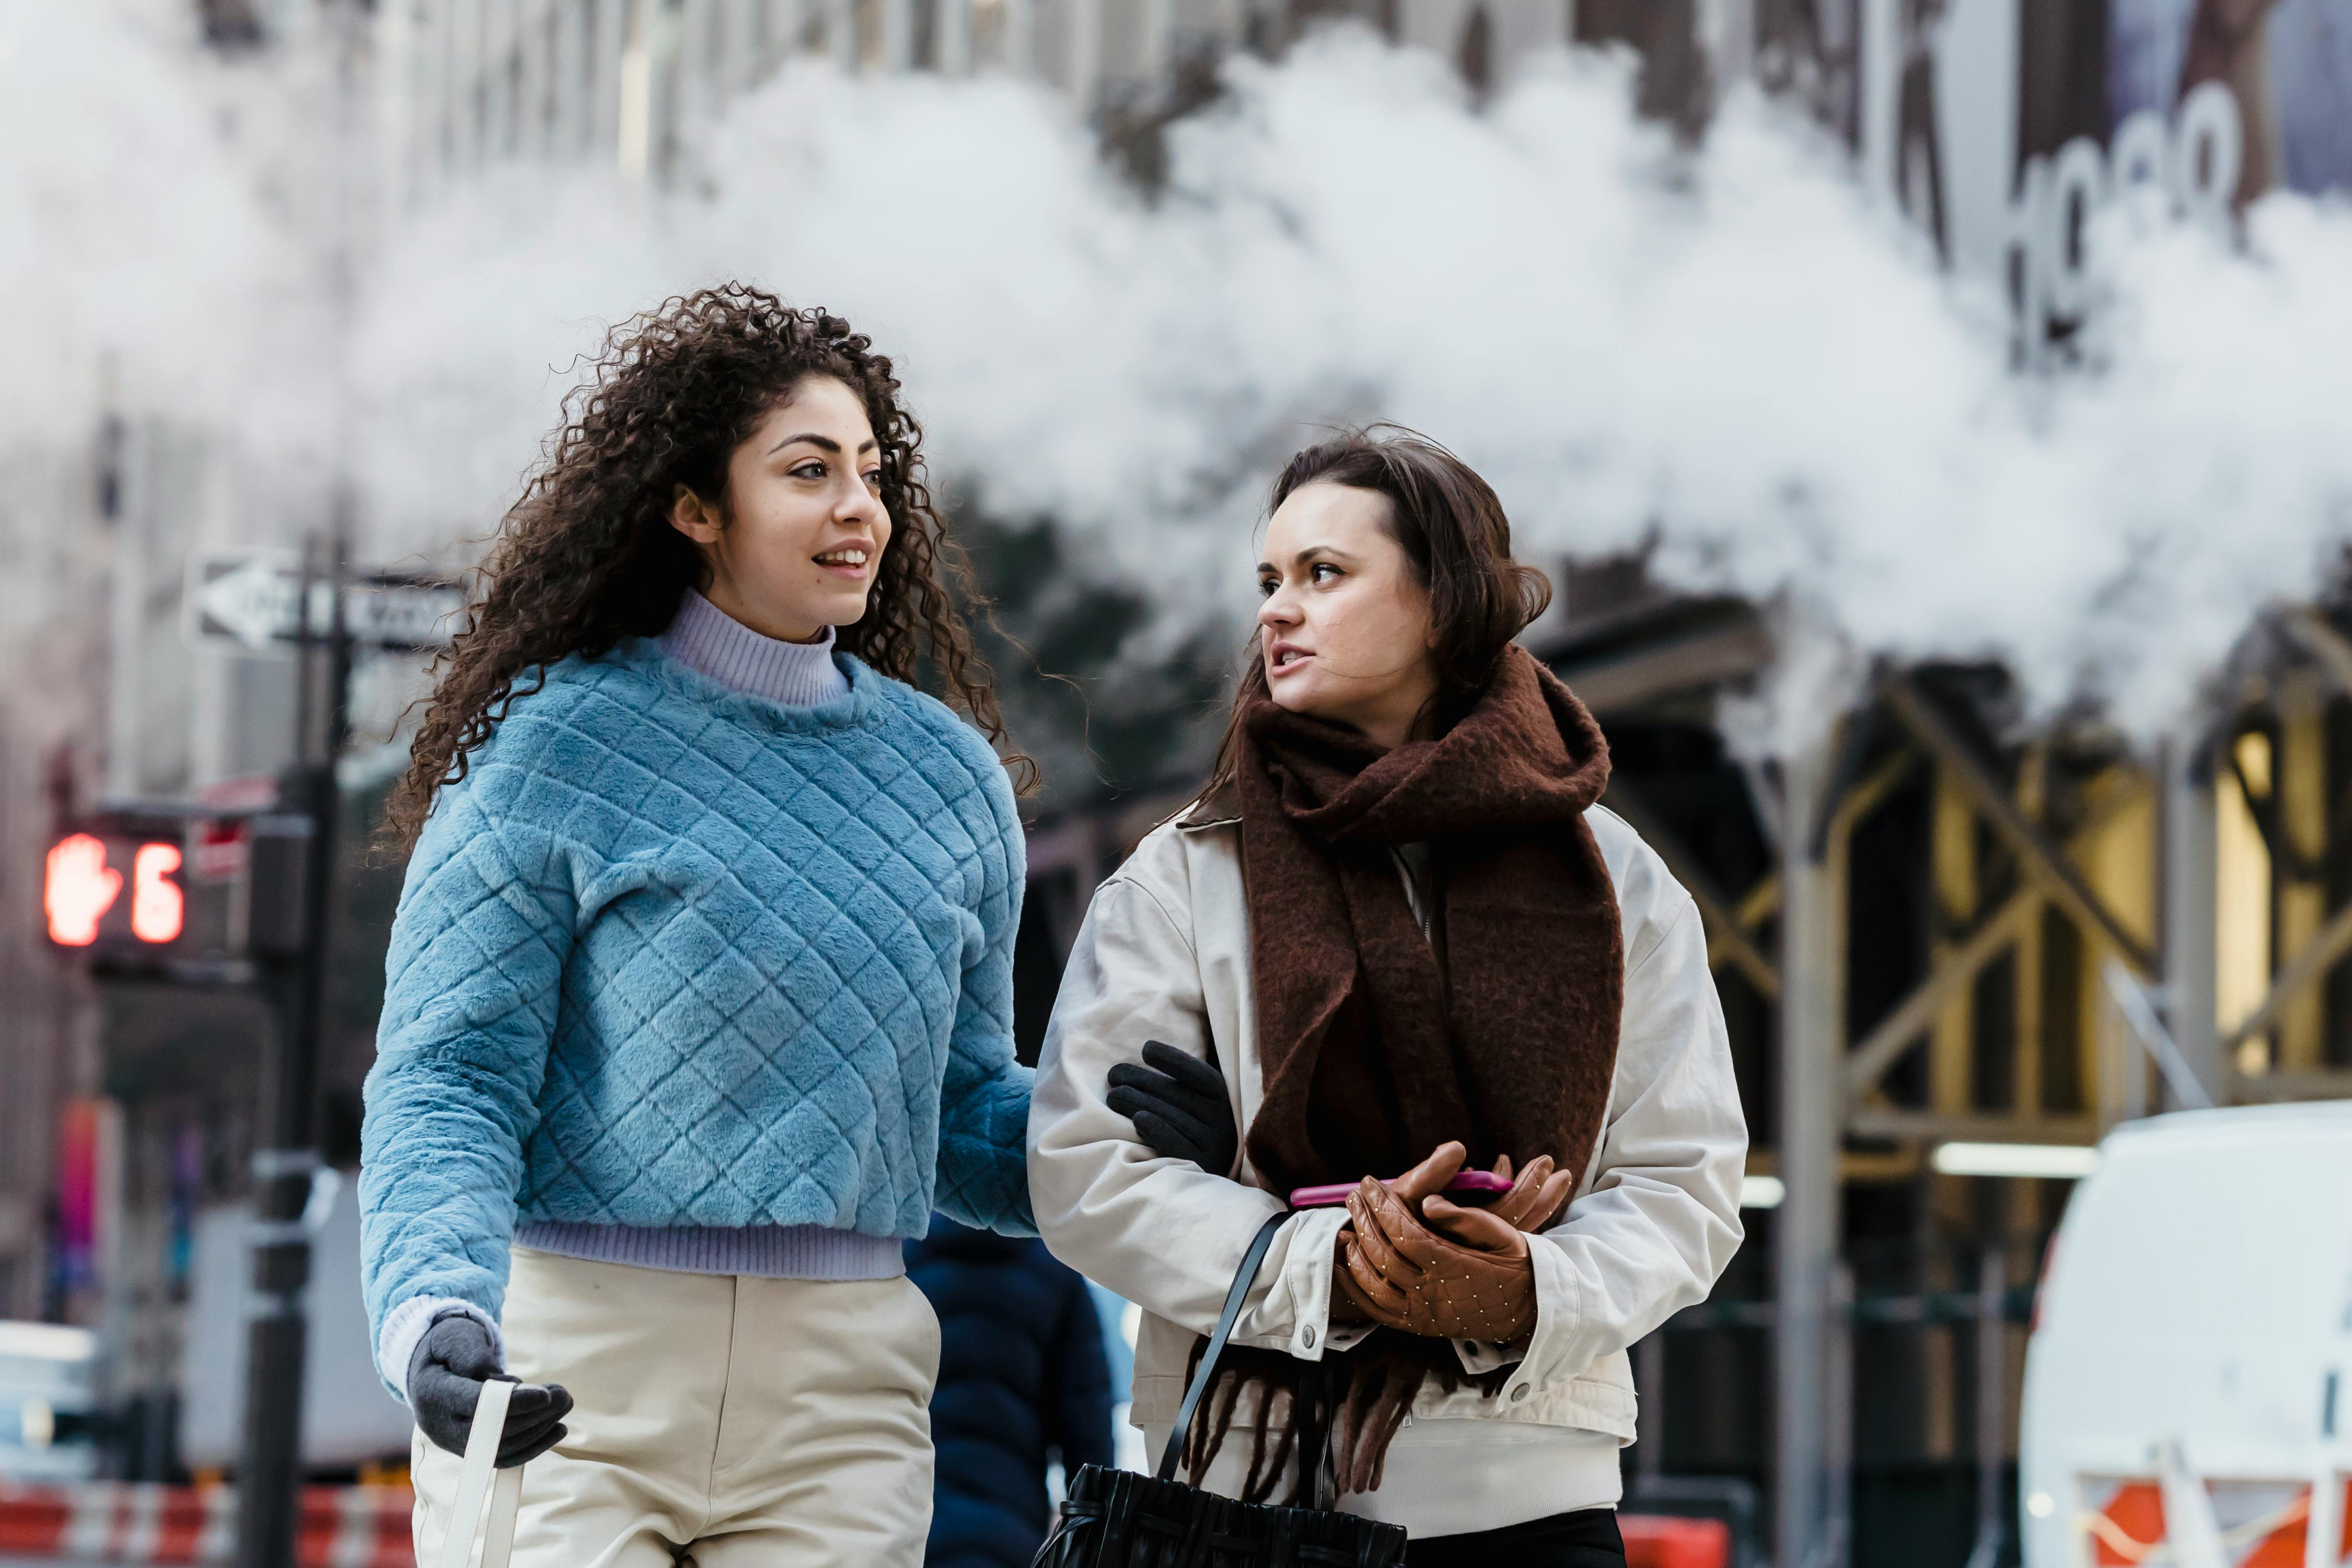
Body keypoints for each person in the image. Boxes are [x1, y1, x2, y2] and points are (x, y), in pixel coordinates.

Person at [360, 285, 1037, 1567]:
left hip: (845, 1401)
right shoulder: (554, 742)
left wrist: (1117, 1126)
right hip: (569, 1375)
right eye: (808, 469)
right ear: (694, 506)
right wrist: (431, 1307)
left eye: (873, 473)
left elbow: (955, 1117)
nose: (859, 506)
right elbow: (452, 1072)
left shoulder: (953, 780)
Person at [1027, 427, 1748, 1565]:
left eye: (1323, 574)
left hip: (1529, 1499)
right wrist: (1321, 1266)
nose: (1276, 610)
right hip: (1245, 1495)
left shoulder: (1618, 883)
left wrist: (1522, 1293)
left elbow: (1685, 1182)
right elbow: (1082, 1169)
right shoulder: (1186, 873)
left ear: (1440, 604)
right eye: (1268, 580)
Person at [904, 1216, 1116, 1568]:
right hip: (1013, 1525)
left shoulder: (901, 1260)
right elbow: (1087, 1426)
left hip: (914, 1524)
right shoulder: (1057, 1270)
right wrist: (1094, 1537)